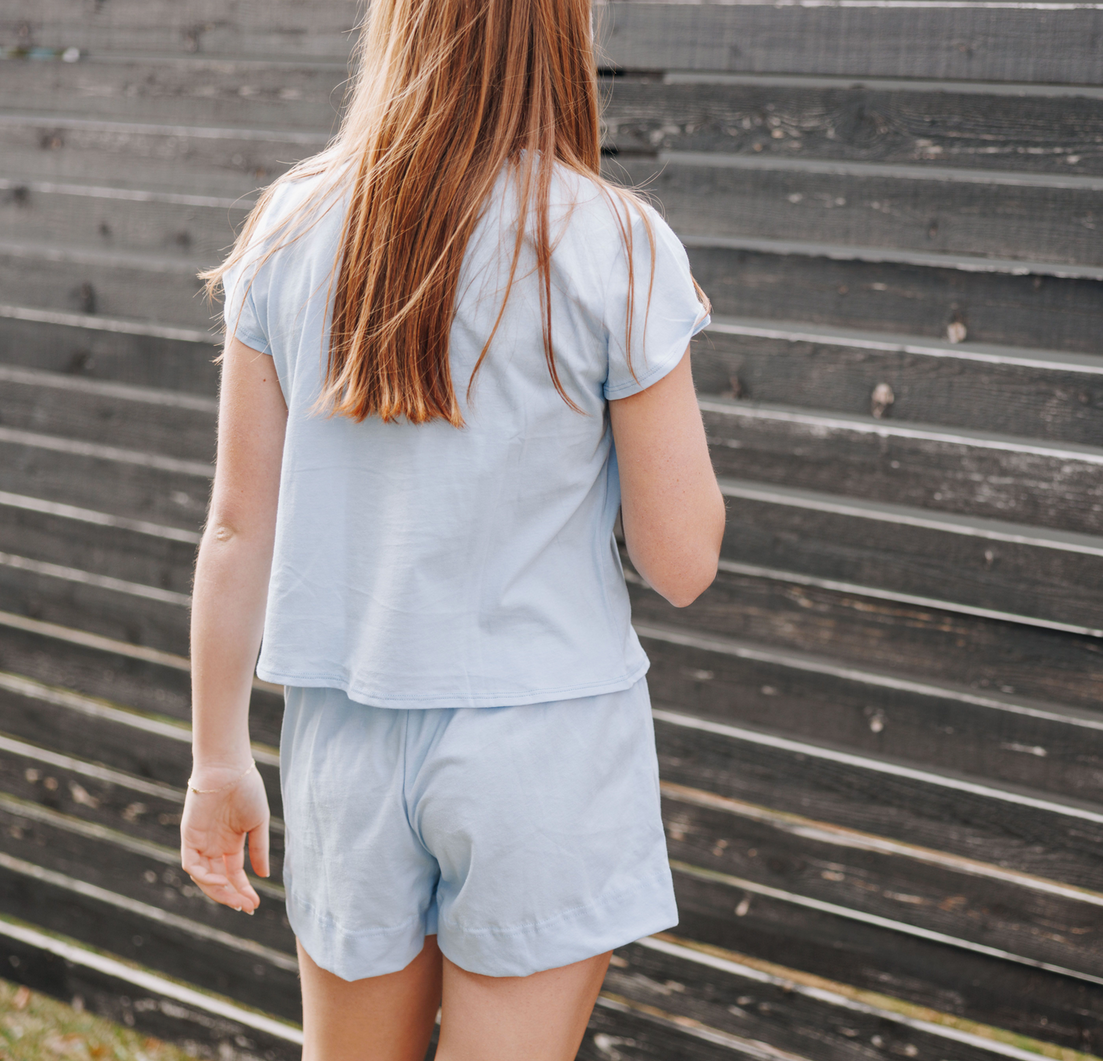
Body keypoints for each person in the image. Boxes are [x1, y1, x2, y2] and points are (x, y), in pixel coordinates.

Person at [176, 0, 725, 1055]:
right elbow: (682, 560)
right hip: (545, 738)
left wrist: (215, 757)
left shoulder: (290, 224)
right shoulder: (616, 241)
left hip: (347, 741)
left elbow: (238, 529)